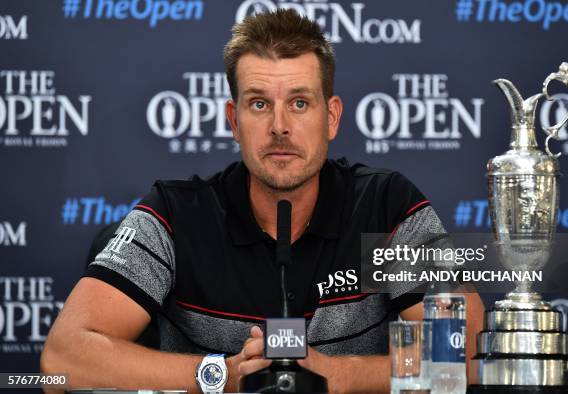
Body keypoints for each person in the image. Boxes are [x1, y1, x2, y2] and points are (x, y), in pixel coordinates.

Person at [41, 9, 483, 393]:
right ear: (233, 120)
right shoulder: (176, 214)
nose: (279, 127)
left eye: (299, 103)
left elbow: (467, 352)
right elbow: (63, 360)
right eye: (258, 104)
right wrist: (220, 375)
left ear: (330, 118)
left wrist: (337, 375)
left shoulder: (385, 207)